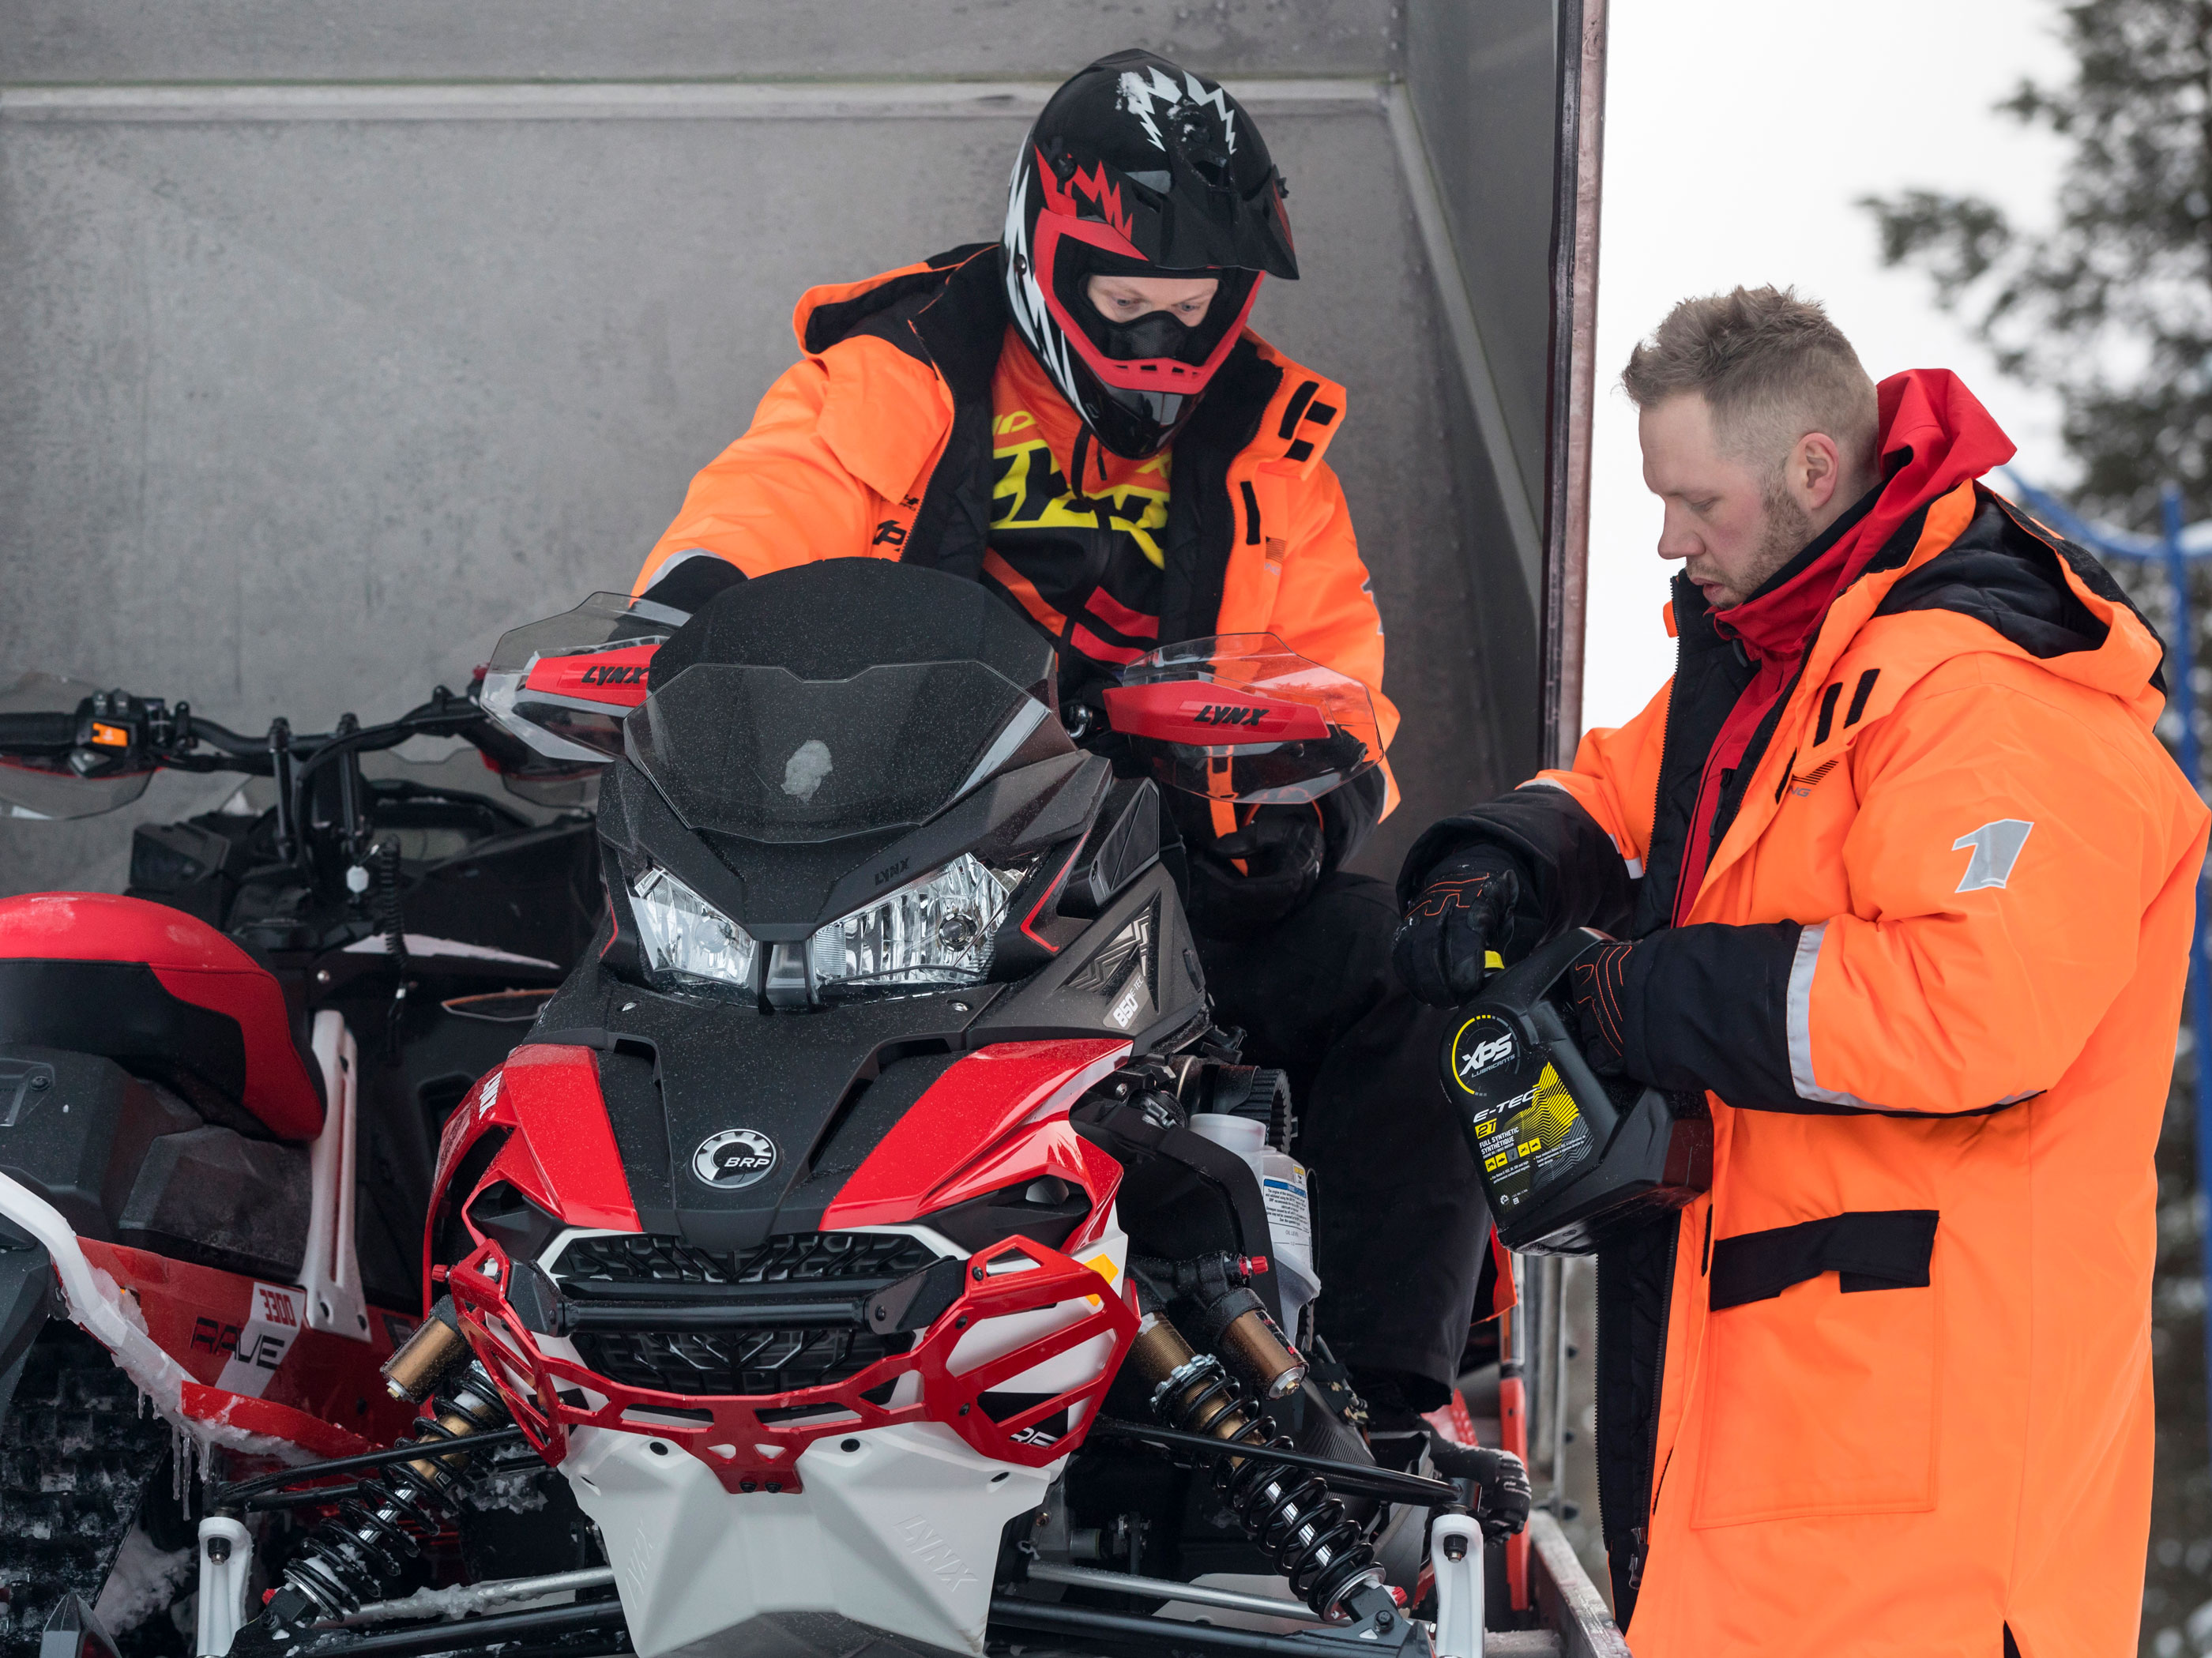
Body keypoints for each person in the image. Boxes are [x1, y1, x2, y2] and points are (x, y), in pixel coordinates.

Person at [630, 50, 1501, 1435]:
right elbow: (776, 499)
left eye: (1198, 307)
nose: (1165, 336)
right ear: (1044, 250)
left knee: (1408, 973)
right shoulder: (907, 362)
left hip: (1147, 872)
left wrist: (1308, 803)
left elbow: (1342, 679)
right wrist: (679, 610)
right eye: (1129, 301)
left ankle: (1387, 1422)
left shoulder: (1272, 440)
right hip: (883, 857)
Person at [1394, 287, 2208, 1654]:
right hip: (1786, 1468)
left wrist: (1640, 998)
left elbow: (1975, 1013)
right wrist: (1501, 863)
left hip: (1928, 1517)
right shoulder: (1793, 657)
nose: (1669, 536)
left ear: (1812, 470)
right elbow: (1624, 791)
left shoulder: (1996, 699)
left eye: (1695, 498)